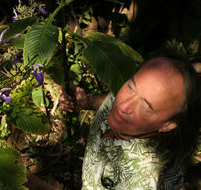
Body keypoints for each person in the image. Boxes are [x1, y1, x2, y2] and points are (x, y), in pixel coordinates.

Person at [59, 54, 201, 189]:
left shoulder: (144, 180)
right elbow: (110, 100)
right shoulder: (127, 108)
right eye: (130, 87)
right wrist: (86, 102)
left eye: (145, 107)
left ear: (167, 125)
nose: (123, 105)